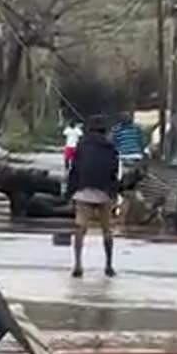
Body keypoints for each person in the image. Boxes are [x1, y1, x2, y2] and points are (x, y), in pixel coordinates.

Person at [67, 116, 119, 278]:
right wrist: (114, 193)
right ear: (105, 131)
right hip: (104, 193)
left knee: (80, 228)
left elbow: (74, 171)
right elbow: (114, 172)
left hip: (83, 192)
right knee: (107, 231)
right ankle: (109, 265)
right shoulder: (111, 148)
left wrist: (69, 193)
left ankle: (77, 265)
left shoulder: (82, 146)